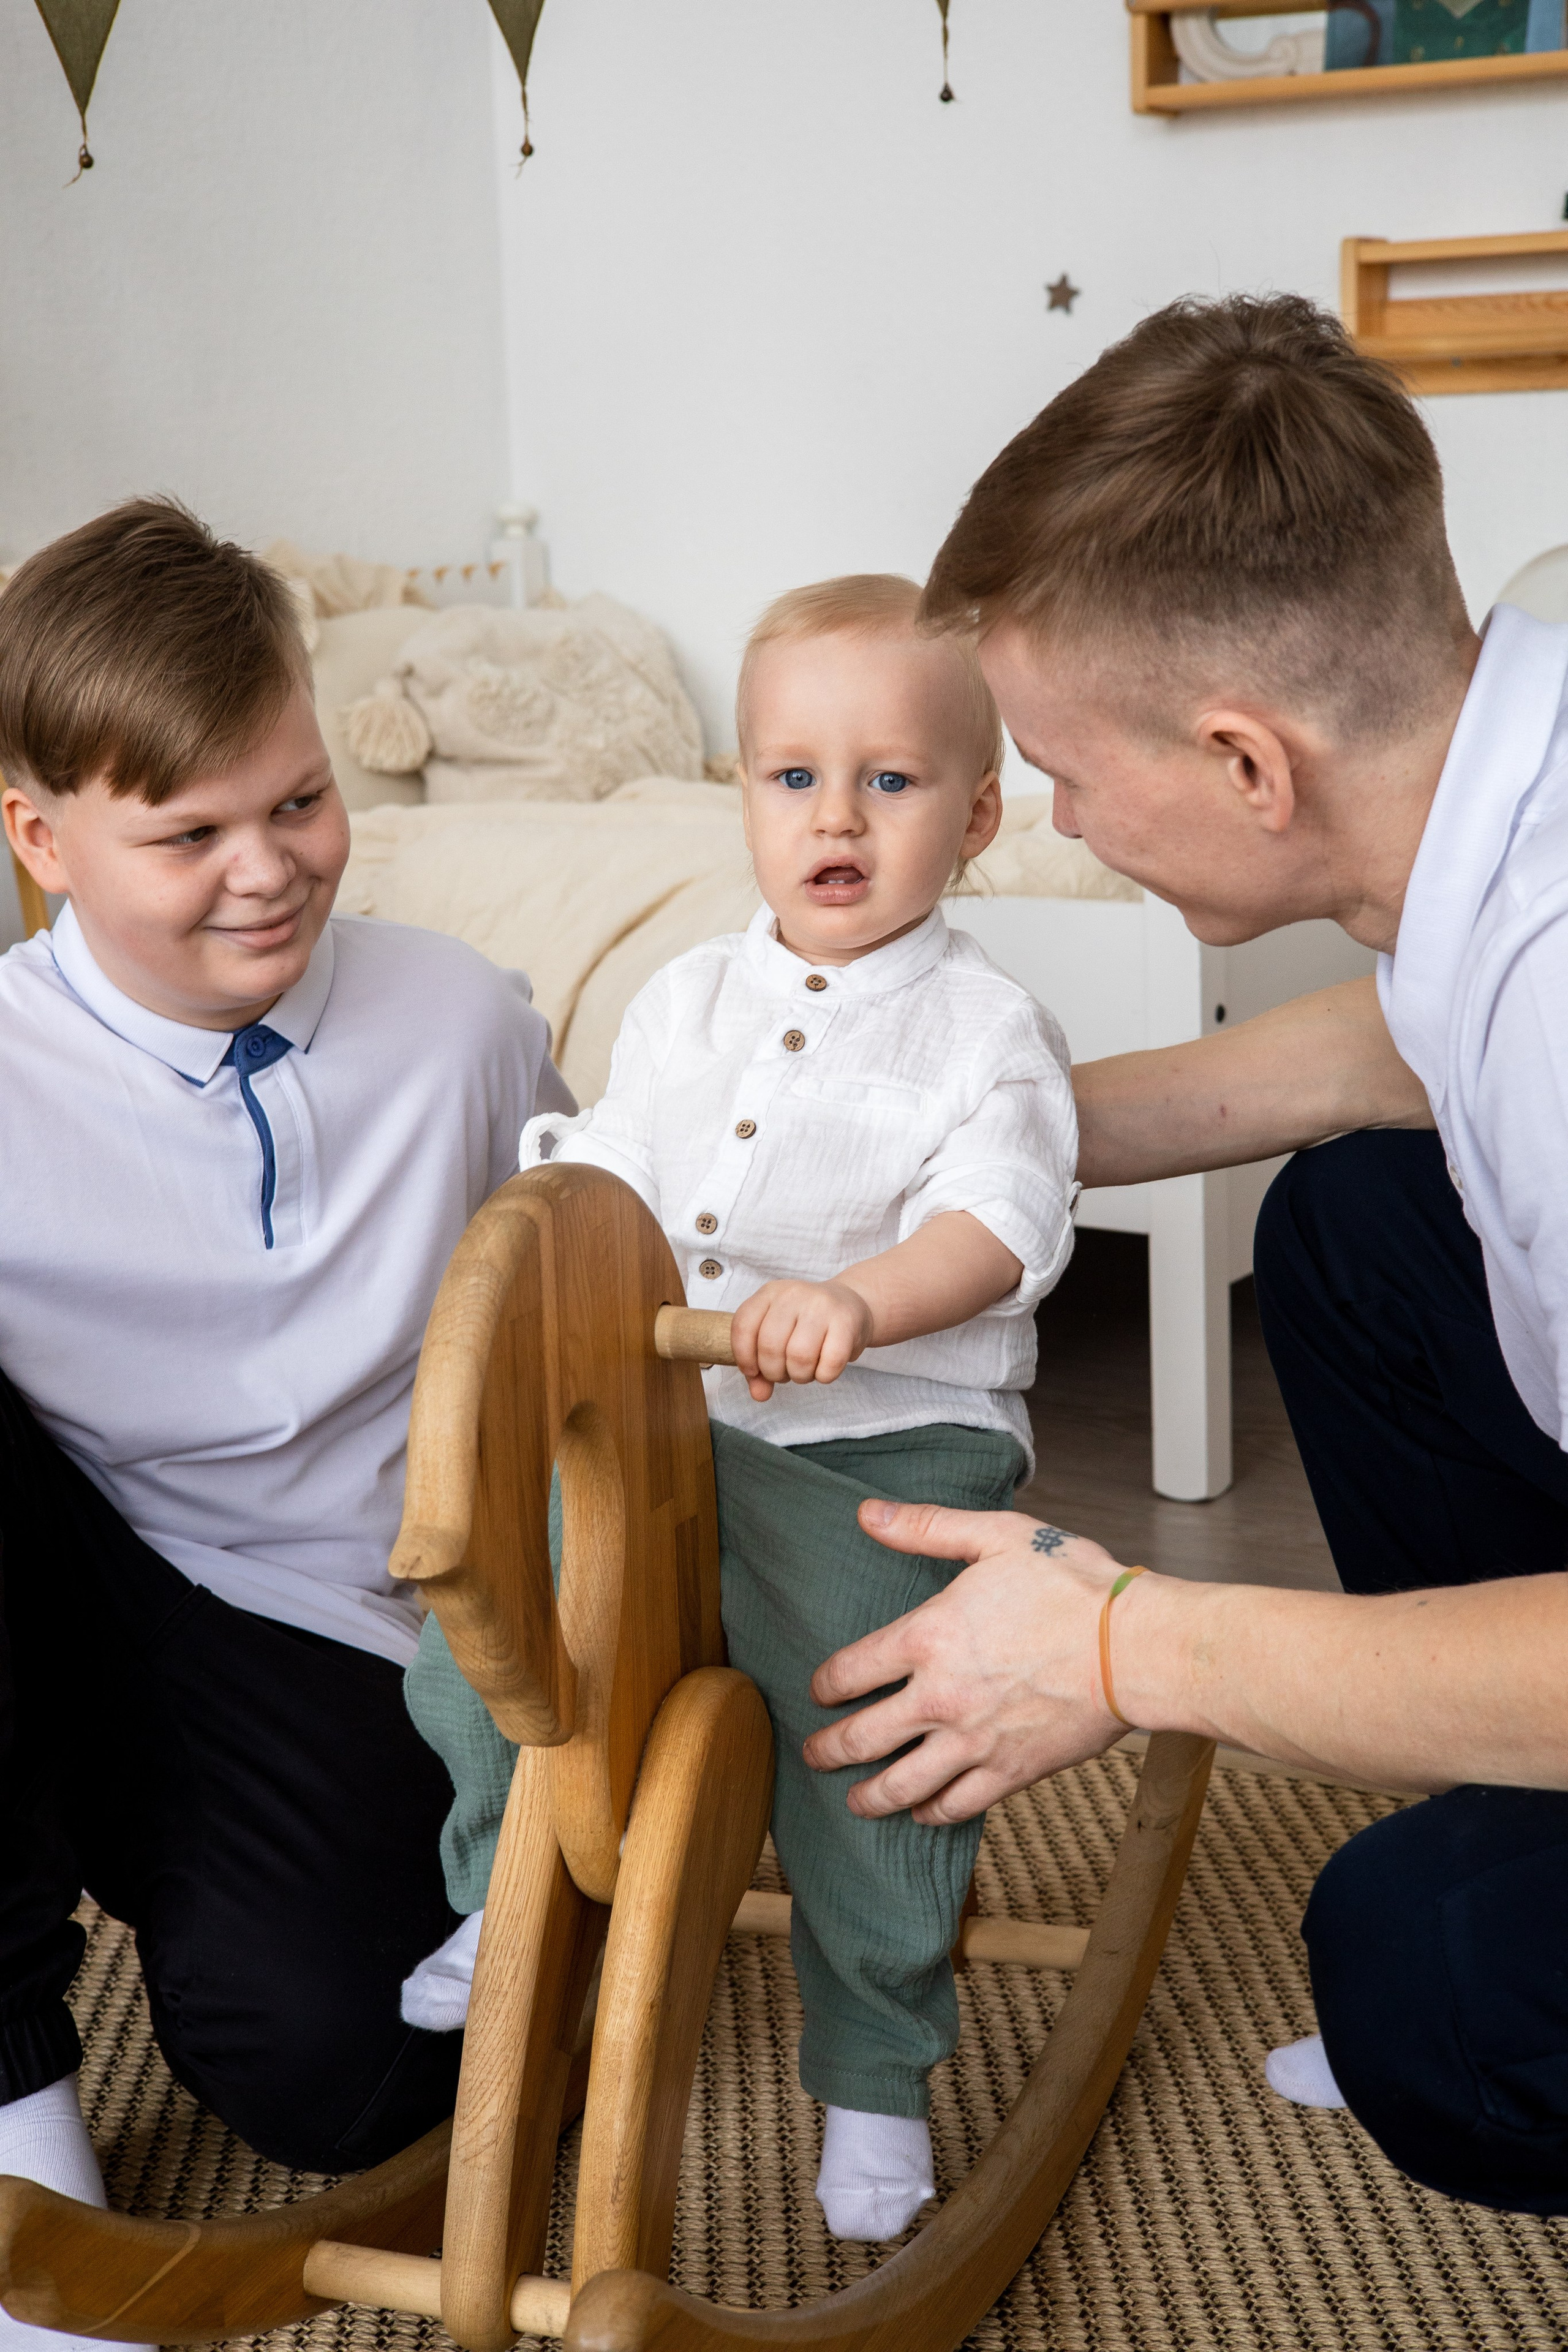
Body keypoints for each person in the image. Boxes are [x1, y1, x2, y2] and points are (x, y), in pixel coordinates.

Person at [799, 293, 1568, 2220]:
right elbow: (1403, 1037)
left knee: (1427, 1977)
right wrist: (979, 1127)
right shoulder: (1503, 750)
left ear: (1245, 762)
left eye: (1062, 765)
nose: (1051, 813)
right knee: (1361, 1237)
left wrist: (1131, 1643)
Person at [397, 575, 1079, 2242]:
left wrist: (861, 1299)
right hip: (676, 1423)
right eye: (792, 777)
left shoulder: (988, 1027)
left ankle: (870, 2067)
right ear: (745, 797)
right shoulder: (686, 996)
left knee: (867, 1734)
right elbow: (610, 1164)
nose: (835, 816)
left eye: (891, 781)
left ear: (977, 814)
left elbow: (1003, 1219)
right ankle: (505, 1892)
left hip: (881, 1438)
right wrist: (541, 1247)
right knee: (487, 1608)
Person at [0, 497, 573, 2352]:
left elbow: (588, 1306)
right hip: (75, 1570)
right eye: (187, 834)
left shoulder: (458, 1018)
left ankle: (165, 1869)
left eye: (299, 802)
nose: (267, 869)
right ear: (42, 841)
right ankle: (20, 2122)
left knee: (330, 2076)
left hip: (350, 1632)